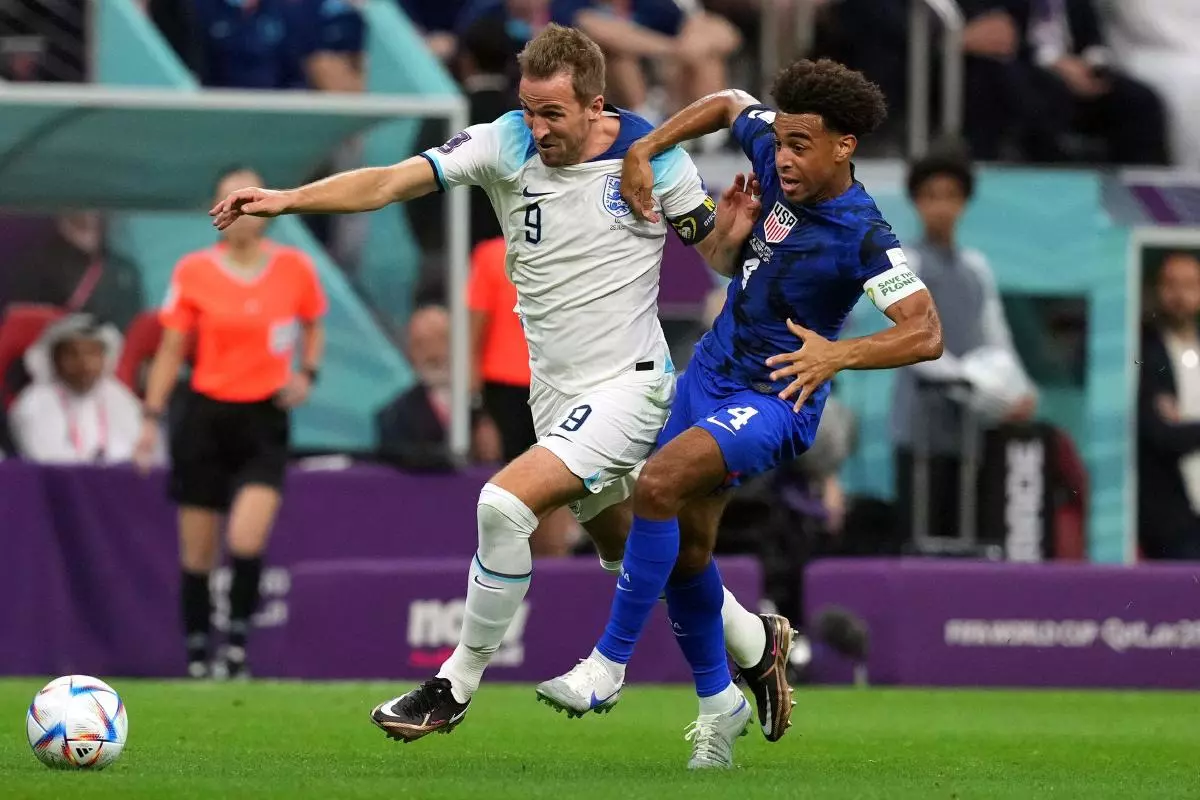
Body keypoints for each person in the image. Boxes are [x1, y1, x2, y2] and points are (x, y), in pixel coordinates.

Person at [209, 24, 781, 744]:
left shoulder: (651, 155)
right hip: (556, 395)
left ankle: (453, 685)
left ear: (596, 104)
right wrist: (288, 198)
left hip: (631, 385)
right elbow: (388, 182)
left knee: (503, 505)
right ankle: (758, 645)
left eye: (553, 114)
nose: (536, 127)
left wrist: (731, 232)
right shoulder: (503, 141)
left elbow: (719, 259)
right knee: (632, 551)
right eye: (529, 109)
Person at [536, 59, 944, 768]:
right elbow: (728, 103)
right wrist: (645, 146)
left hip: (773, 399)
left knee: (657, 486)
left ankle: (607, 666)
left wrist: (836, 357)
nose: (783, 157)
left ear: (844, 147)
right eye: (781, 142)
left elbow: (924, 330)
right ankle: (722, 706)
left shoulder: (864, 233)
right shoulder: (772, 152)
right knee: (688, 556)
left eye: (802, 146)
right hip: (707, 375)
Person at [135, 167, 327, 680]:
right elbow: (172, 347)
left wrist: (306, 373)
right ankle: (198, 652)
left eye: (249, 199)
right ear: (216, 210)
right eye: (230, 200)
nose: (240, 211)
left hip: (263, 418)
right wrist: (151, 418)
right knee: (197, 551)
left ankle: (238, 647)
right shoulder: (194, 271)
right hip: (205, 415)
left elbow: (313, 326)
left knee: (245, 538)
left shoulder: (294, 269)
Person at [890, 147, 1037, 545]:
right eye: (931, 196)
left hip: (970, 427)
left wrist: (1018, 390)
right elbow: (911, 337)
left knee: (968, 529)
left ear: (964, 202)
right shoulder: (905, 263)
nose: (941, 207)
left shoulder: (976, 267)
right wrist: (968, 381)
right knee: (920, 529)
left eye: (950, 196)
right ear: (917, 202)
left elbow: (996, 334)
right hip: (920, 422)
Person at [9, 314, 150, 466]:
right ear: (54, 359)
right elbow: (46, 460)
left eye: (92, 354)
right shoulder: (34, 402)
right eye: (72, 354)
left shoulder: (121, 399)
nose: (84, 363)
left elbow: (141, 455)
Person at [1138, 251, 1200, 560]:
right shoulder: (1145, 351)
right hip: (1174, 517)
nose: (1180, 295)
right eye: (1171, 285)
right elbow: (1160, 434)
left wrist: (1184, 427)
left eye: (1190, 285)